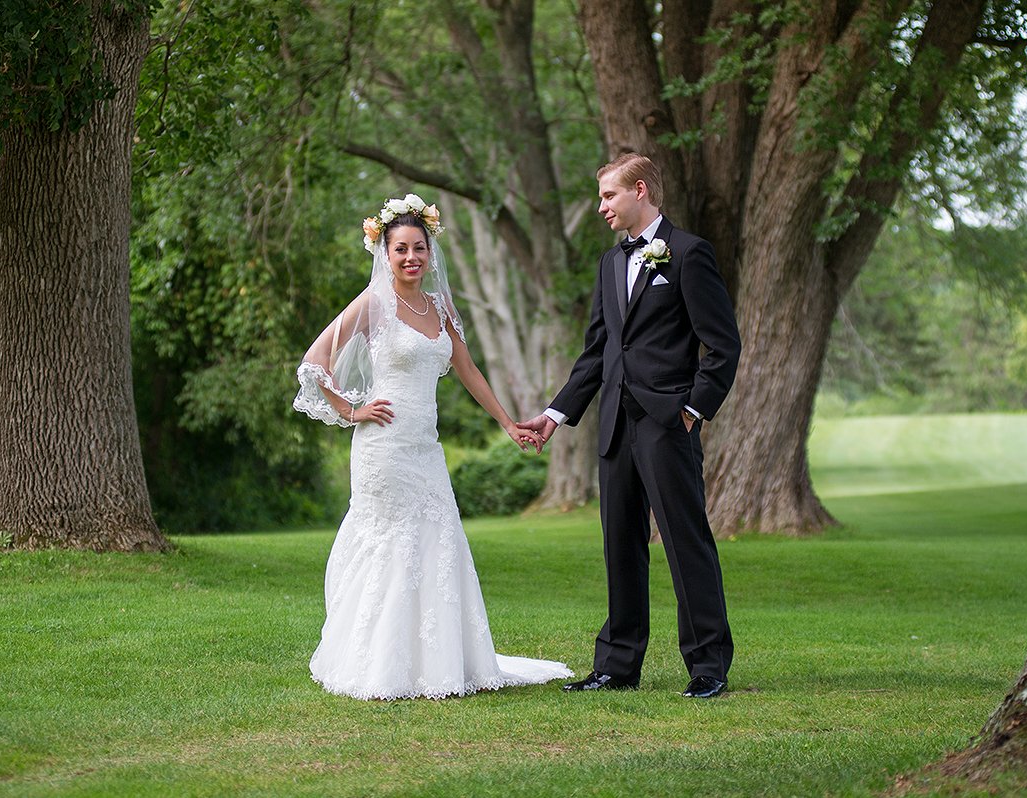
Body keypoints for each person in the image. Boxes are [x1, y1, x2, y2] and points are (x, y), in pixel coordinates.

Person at [293, 193, 571, 700]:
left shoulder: (439, 307)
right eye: (400, 249)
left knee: (436, 543)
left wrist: (508, 423)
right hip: (383, 448)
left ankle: (438, 662)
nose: (410, 258)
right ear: (385, 252)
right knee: (392, 545)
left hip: (426, 447)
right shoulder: (373, 305)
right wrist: (352, 410)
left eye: (418, 248)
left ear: (430, 250)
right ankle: (378, 663)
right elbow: (314, 363)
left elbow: (466, 370)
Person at [518, 154, 741, 699]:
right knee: (620, 544)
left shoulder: (689, 255)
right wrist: (553, 415)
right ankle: (617, 666)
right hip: (615, 424)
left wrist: (692, 410)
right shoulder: (608, 263)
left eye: (608, 197)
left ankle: (708, 666)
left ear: (640, 191)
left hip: (669, 425)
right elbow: (597, 352)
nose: (601, 208)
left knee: (686, 542)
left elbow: (723, 345)